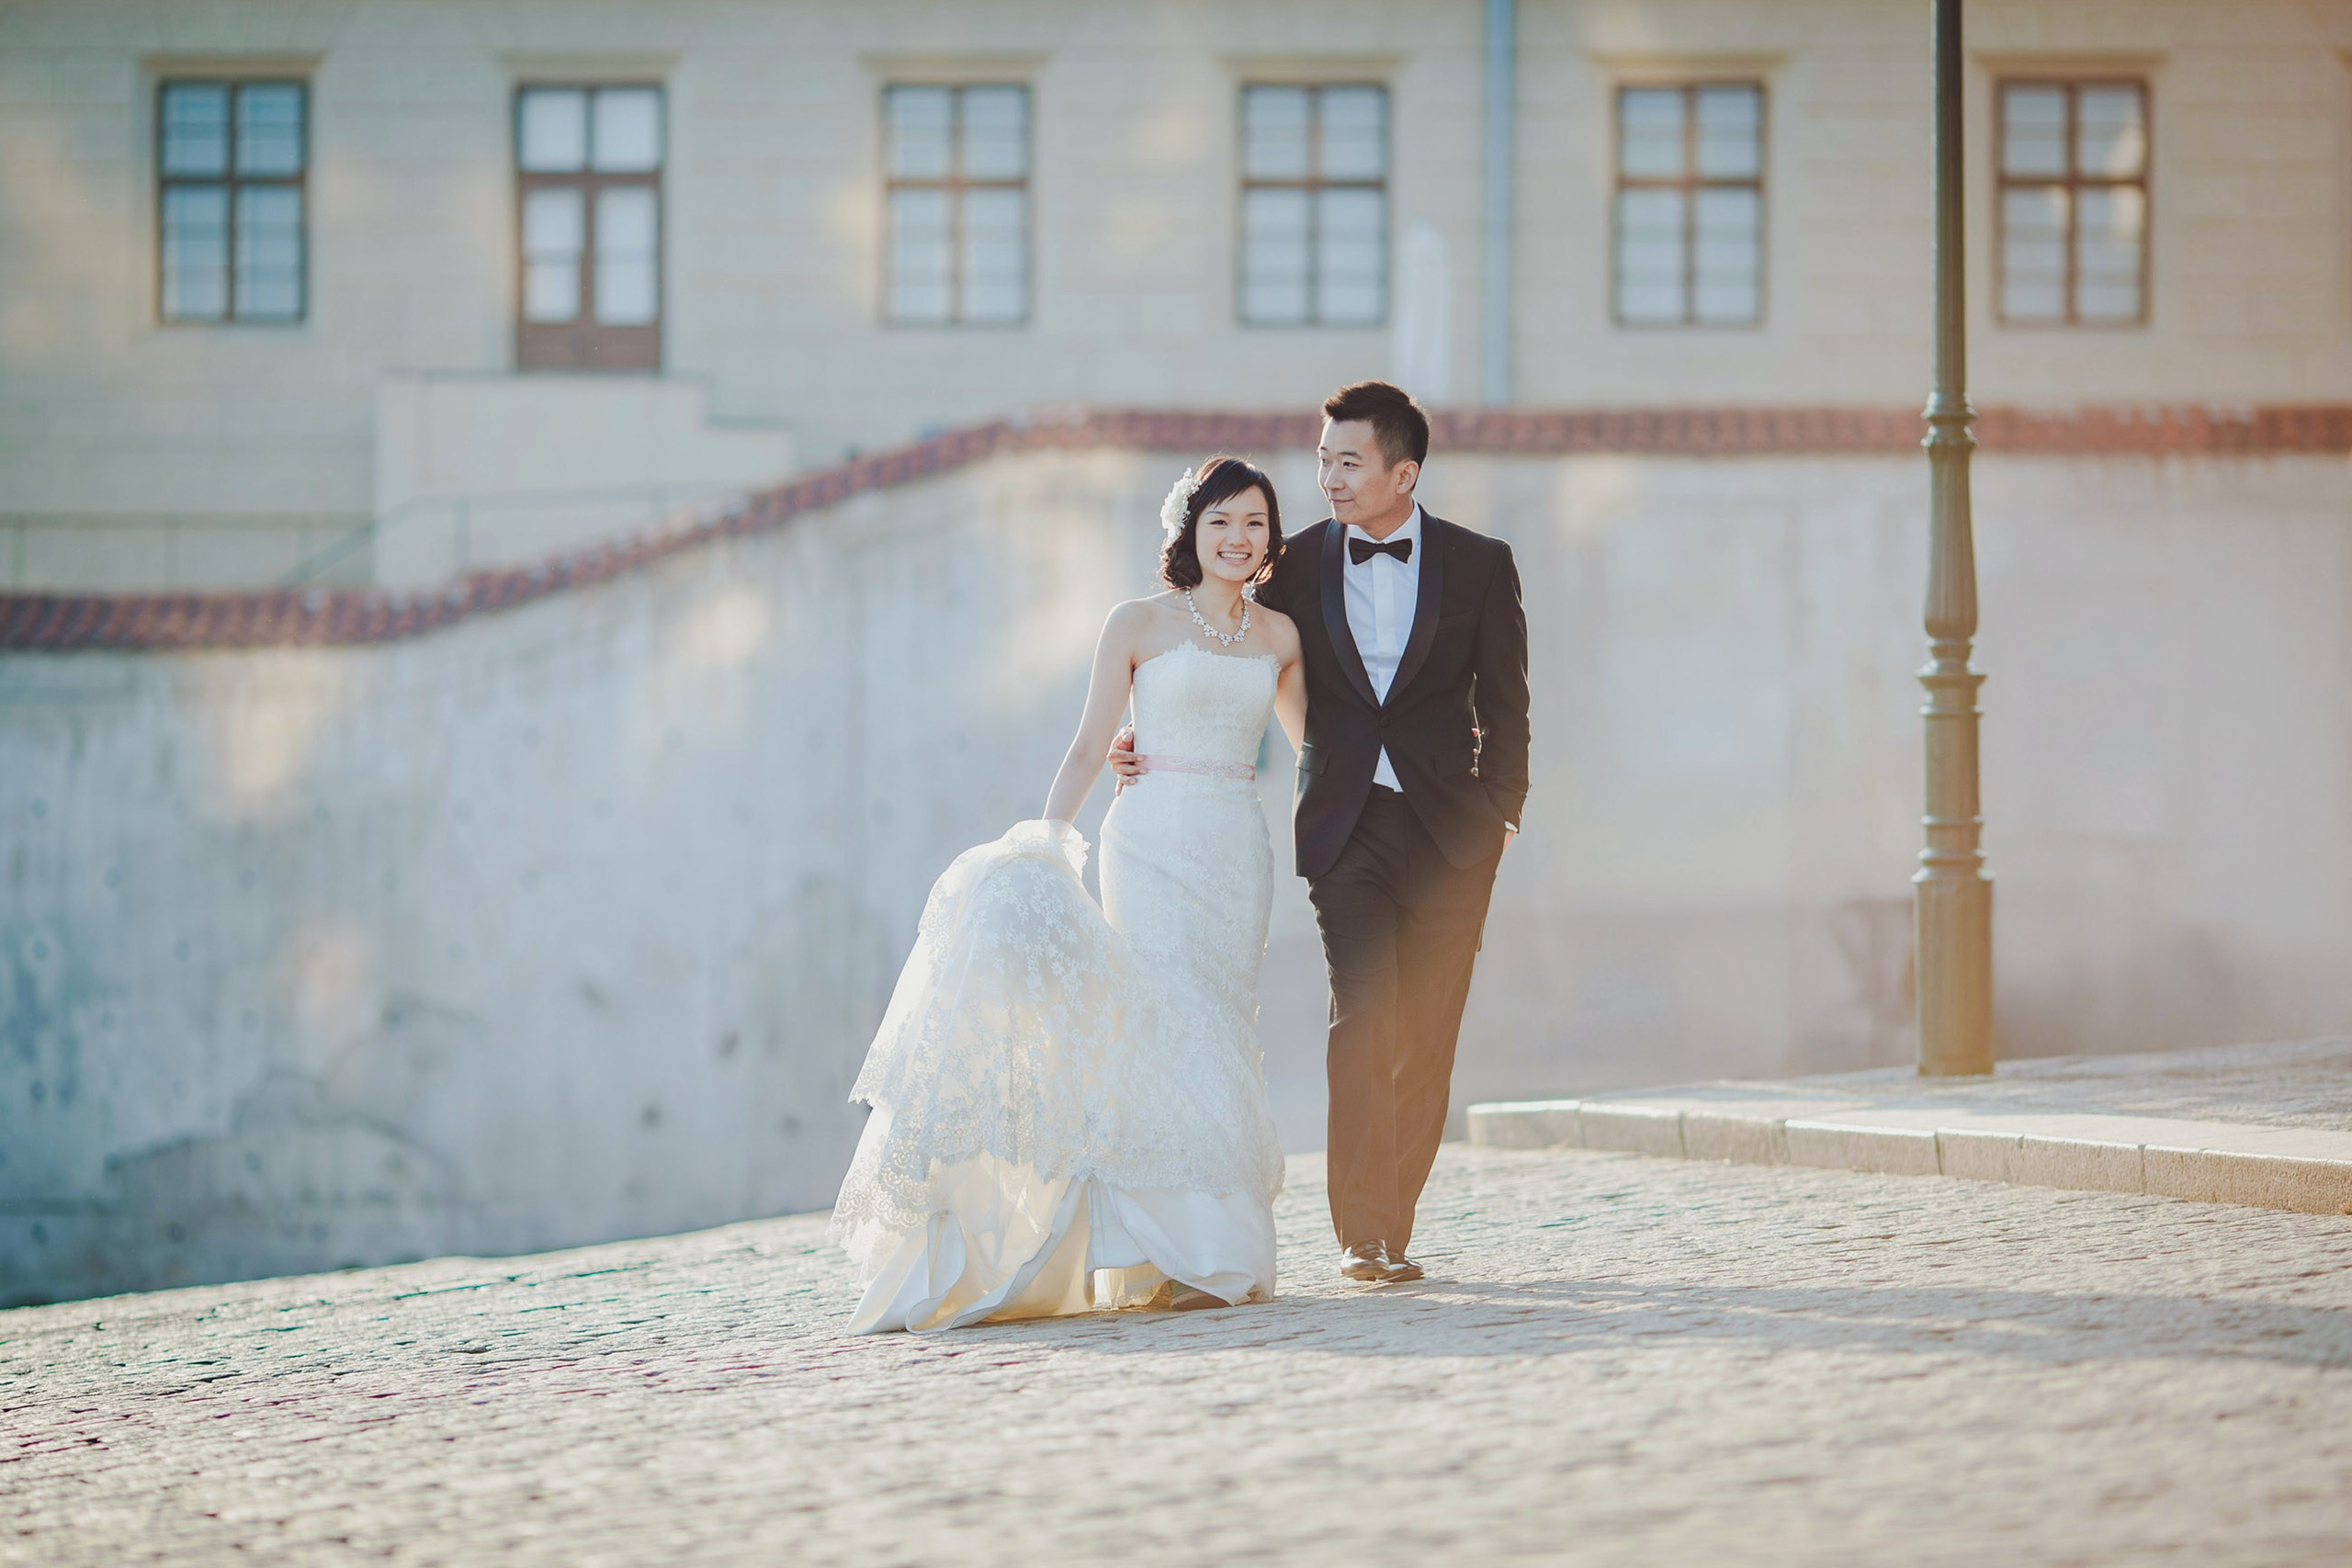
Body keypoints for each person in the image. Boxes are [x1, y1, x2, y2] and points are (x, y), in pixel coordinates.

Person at [831, 457, 1302, 1333]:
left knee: (1221, 1023)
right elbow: (1090, 743)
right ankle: (1167, 1250)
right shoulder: (1136, 622)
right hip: (1149, 837)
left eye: (1256, 526)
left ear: (1271, 542)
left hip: (1237, 847)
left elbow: (1316, 748)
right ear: (1189, 532)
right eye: (1222, 522)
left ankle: (1220, 1249)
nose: (1239, 540)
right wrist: (1049, 837)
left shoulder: (1279, 638)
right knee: (1160, 1019)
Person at [1114, 381, 1529, 1285]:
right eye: (1322, 460)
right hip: (1348, 825)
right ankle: (1364, 1232)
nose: (1329, 478)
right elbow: (1212, 632)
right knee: (1364, 1012)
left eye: (1348, 462)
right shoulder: (1291, 565)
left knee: (1430, 1027)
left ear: (1401, 472)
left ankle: (1397, 1215)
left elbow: (1506, 706)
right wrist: (1137, 732)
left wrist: (1499, 812)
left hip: (1454, 834)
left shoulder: (1480, 566)